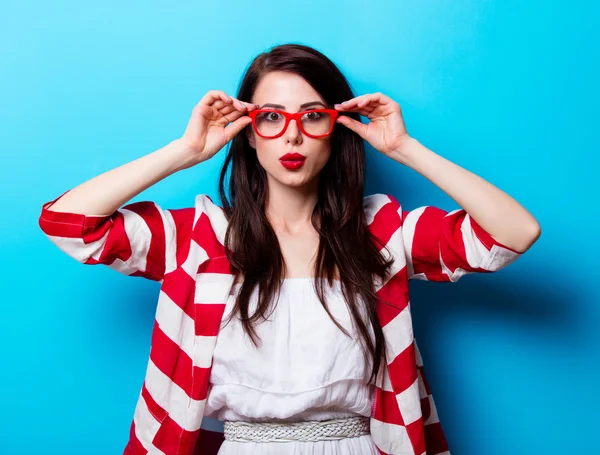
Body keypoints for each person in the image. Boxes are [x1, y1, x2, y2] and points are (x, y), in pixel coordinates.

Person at [38, 43, 541, 455]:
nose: (293, 135)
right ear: (248, 134)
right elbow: (67, 223)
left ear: (337, 129)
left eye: (313, 116)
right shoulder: (198, 238)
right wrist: (184, 152)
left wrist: (404, 149)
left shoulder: (384, 234)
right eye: (271, 117)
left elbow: (514, 233)